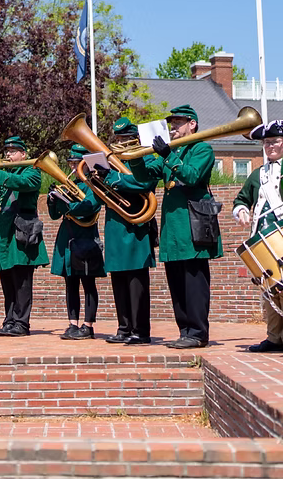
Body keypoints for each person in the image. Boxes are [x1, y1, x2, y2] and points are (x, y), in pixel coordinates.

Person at [129, 104, 223, 349]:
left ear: (192, 124)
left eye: (179, 122)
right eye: (172, 123)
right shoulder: (175, 151)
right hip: (174, 230)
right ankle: (185, 331)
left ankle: (198, 332)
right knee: (177, 284)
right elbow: (144, 177)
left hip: (192, 226)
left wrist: (168, 155)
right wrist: (139, 155)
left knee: (194, 283)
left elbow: (191, 177)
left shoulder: (201, 148)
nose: (173, 127)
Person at [0, 136, 49, 337]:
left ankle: (22, 323)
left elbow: (24, 184)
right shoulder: (0, 174)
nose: (8, 154)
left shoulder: (32, 170)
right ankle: (10, 320)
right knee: (7, 281)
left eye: (13, 151)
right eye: (6, 151)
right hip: (3, 235)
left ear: (23, 154)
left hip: (21, 232)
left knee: (22, 281)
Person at [94, 118, 158, 345]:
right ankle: (124, 327)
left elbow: (144, 184)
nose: (120, 143)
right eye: (118, 139)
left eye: (125, 139)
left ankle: (140, 330)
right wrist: (99, 180)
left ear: (135, 138)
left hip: (135, 227)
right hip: (115, 225)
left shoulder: (146, 156)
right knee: (119, 280)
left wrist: (113, 179)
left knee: (136, 281)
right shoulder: (111, 161)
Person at [233, 119, 283, 352]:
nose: (270, 146)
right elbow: (242, 199)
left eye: (275, 141)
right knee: (270, 291)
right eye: (266, 143)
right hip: (262, 241)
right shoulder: (258, 174)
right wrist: (241, 210)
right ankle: (274, 338)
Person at [47, 145, 104, 340]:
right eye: (70, 163)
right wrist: (53, 200)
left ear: (86, 164)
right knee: (70, 283)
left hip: (85, 236)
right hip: (68, 236)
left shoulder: (93, 185)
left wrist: (67, 205)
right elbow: (55, 215)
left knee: (88, 283)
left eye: (76, 163)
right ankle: (72, 323)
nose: (72, 167)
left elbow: (89, 207)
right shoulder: (69, 184)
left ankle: (88, 325)